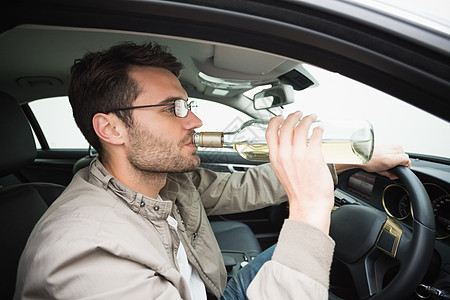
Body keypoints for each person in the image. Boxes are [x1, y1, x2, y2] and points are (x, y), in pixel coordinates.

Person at [14, 42, 410, 300]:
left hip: (212, 290)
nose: (196, 122)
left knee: (334, 237)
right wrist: (309, 209)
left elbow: (243, 187)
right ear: (111, 128)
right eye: (174, 108)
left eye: (189, 105)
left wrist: (351, 159)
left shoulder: (163, 180)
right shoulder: (88, 254)